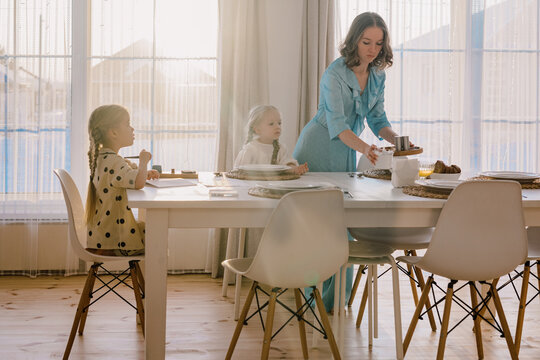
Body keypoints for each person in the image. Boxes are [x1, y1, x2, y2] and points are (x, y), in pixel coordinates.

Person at [293, 12, 411, 311]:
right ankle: (312, 293)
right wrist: (366, 150)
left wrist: (398, 141)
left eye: (378, 43)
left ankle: (331, 301)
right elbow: (337, 124)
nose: (372, 49)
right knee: (318, 224)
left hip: (347, 150)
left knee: (343, 225)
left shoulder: (378, 75)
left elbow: (378, 119)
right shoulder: (334, 73)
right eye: (366, 41)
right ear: (354, 40)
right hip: (318, 148)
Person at [85, 104, 159, 256]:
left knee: (149, 230)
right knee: (157, 236)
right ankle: (155, 278)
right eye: (127, 124)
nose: (132, 129)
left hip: (102, 235)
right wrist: (143, 162)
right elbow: (138, 184)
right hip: (116, 239)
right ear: (113, 132)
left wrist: (143, 172)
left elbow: (130, 175)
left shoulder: (104, 158)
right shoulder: (114, 162)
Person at [234, 105, 308, 174]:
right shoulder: (250, 149)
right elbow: (239, 171)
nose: (277, 127)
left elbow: (287, 164)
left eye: (279, 123)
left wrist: (295, 169)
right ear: (257, 129)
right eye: (271, 124)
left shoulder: (280, 149)